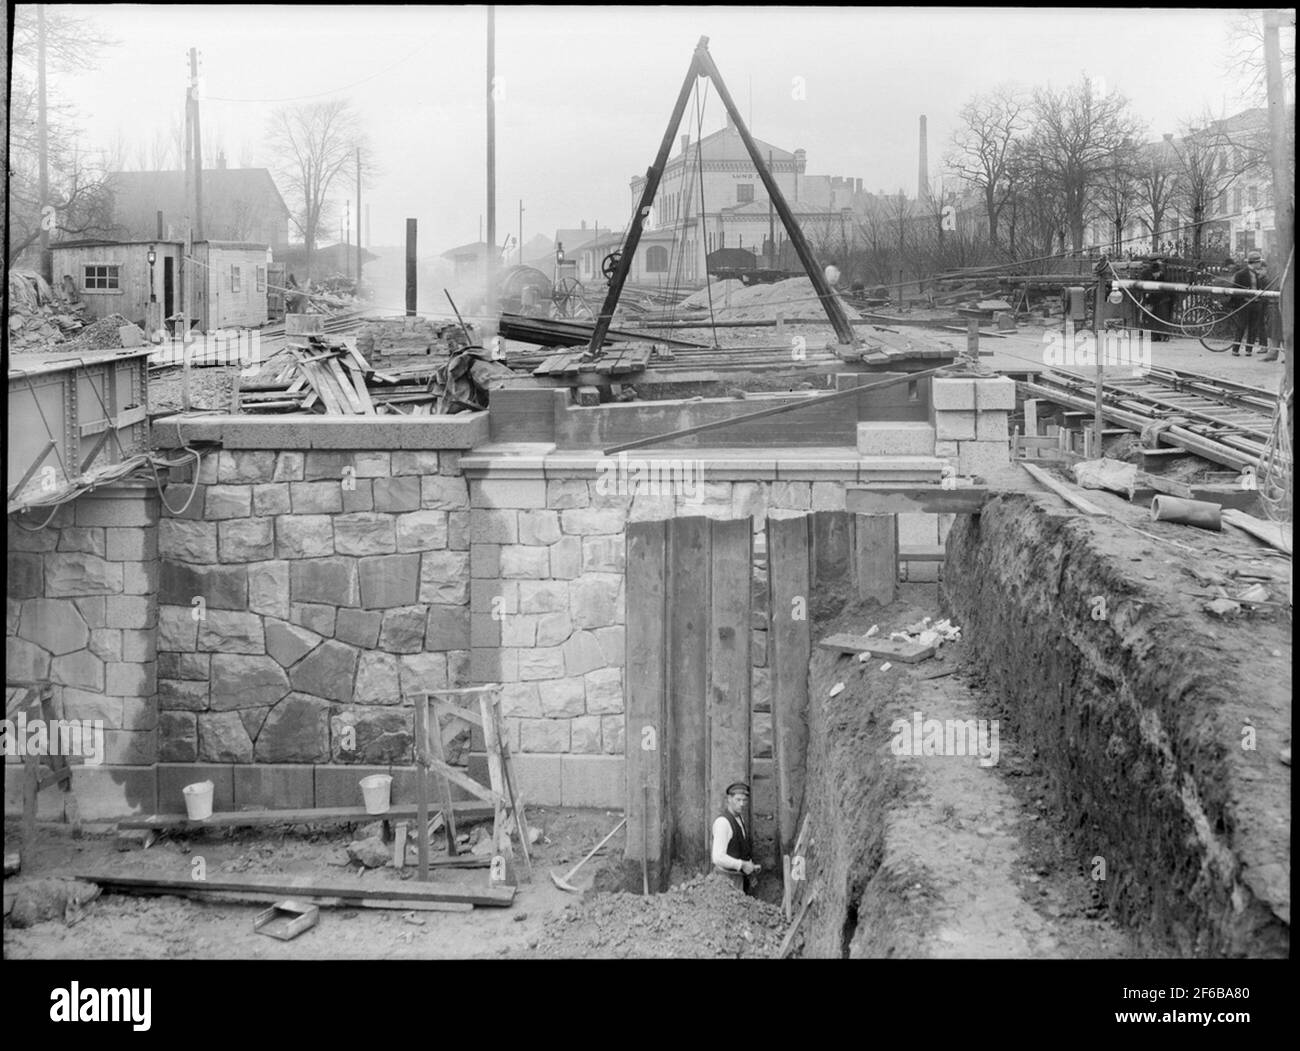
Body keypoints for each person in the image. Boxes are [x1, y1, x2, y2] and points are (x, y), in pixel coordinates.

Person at [711, 781, 760, 894]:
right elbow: (717, 857)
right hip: (725, 881)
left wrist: (750, 866)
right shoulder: (723, 823)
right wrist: (742, 864)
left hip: (737, 878)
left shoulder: (739, 818)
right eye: (738, 800)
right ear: (729, 799)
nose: (742, 804)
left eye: (744, 800)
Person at [1229, 250, 1273, 360]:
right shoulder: (1241, 274)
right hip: (1245, 303)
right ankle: (1235, 349)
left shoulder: (1258, 275)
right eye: (1259, 263)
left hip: (1256, 303)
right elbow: (1235, 289)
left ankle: (1249, 349)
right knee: (1241, 326)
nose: (1260, 265)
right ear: (1254, 262)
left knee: (1253, 327)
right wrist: (1242, 298)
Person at [1138, 257, 1175, 341]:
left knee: (1159, 317)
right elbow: (1143, 285)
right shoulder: (1146, 272)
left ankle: (1159, 335)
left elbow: (1166, 285)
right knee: (1150, 318)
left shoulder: (1161, 273)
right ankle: (1152, 335)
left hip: (1160, 299)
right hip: (1151, 298)